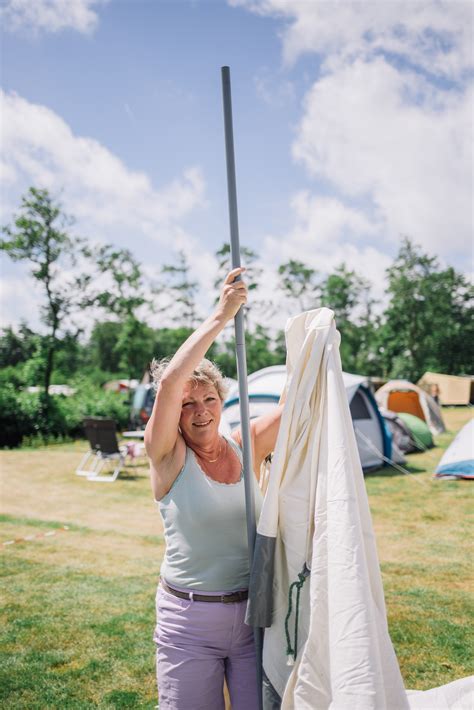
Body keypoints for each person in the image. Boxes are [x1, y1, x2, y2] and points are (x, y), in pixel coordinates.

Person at [144, 267, 283, 710]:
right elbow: (168, 384)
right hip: (188, 621)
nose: (200, 411)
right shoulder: (168, 455)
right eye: (187, 404)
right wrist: (222, 315)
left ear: (222, 402)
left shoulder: (247, 445)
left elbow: (298, 407)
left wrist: (314, 341)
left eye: (209, 399)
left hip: (252, 619)